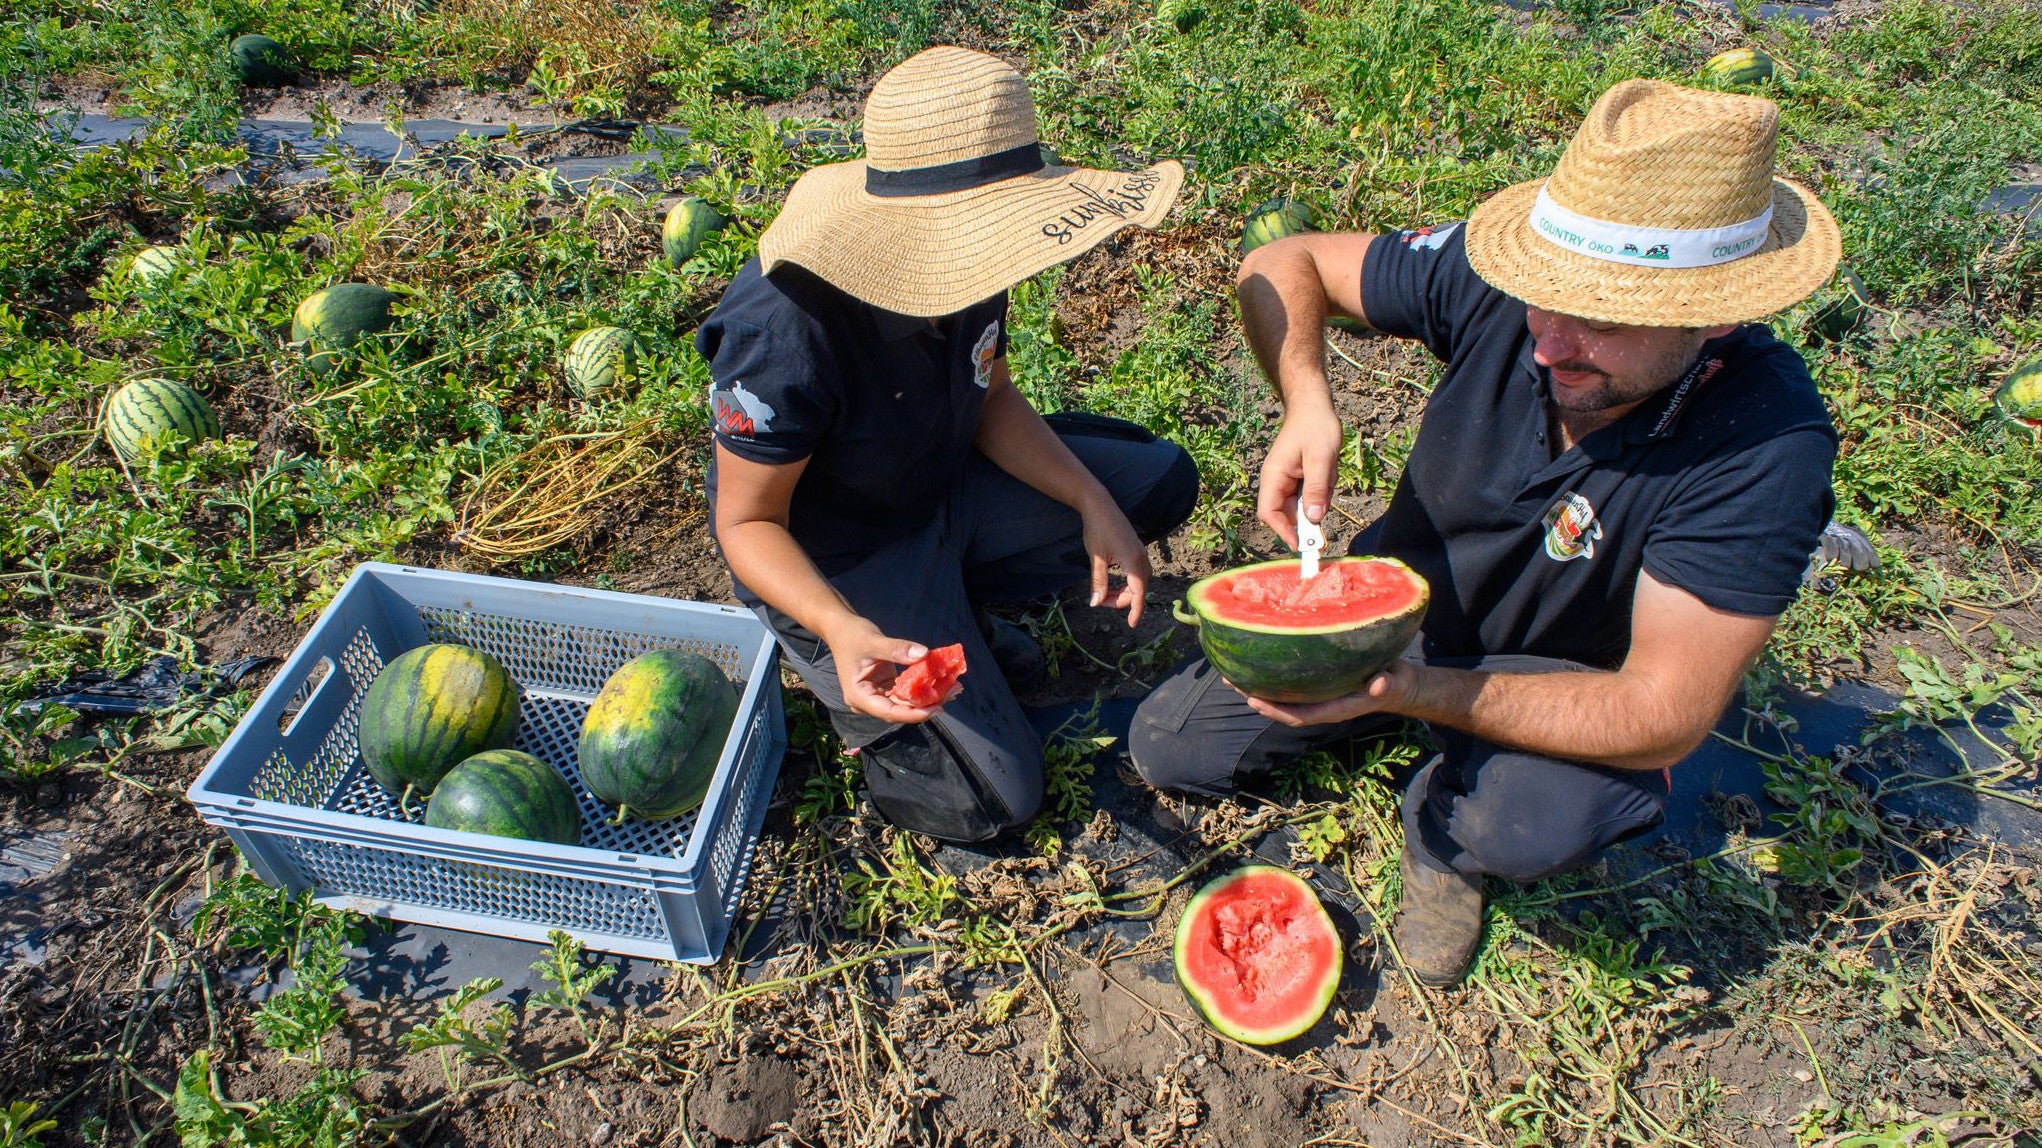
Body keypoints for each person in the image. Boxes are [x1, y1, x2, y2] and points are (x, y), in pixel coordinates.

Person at [1130, 80, 1843, 985]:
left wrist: (1407, 690)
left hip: (1563, 682)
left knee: (1540, 821)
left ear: (1717, 315)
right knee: (1171, 746)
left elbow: (1660, 714)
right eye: (1547, 301)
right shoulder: (1515, 282)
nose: (1548, 342)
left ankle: (1442, 834)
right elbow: (1286, 261)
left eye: (1603, 318)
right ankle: (1382, 712)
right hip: (1391, 619)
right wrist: (1306, 398)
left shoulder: (1764, 447)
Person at [702, 46, 1198, 843]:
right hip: (843, 556)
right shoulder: (782, 331)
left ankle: (957, 600)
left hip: (938, 486)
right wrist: (841, 628)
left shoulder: (970, 258)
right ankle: (876, 648)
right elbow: (746, 526)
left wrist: (1090, 500)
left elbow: (990, 393)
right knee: (995, 799)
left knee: (1157, 485)